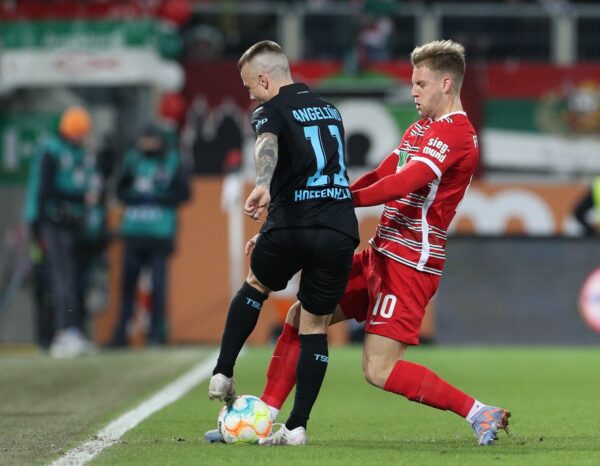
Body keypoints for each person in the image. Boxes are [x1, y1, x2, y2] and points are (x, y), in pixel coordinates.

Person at [207, 39, 510, 447]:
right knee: (300, 318)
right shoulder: (420, 129)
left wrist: (335, 201)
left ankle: (478, 412)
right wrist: (326, 202)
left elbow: (404, 183)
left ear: (445, 83)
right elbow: (382, 174)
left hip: (410, 263)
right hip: (380, 253)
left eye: (420, 83)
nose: (412, 91)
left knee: (378, 370)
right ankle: (265, 419)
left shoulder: (458, 134)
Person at [207, 40, 359, 446]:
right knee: (315, 325)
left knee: (256, 285)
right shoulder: (331, 110)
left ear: (263, 79)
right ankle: (297, 427)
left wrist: (262, 184)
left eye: (249, 87)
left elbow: (267, 144)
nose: (249, 95)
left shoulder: (269, 110)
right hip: (338, 229)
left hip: (293, 225)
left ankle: (223, 371)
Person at [23, 106, 97, 357]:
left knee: (70, 276)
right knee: (59, 277)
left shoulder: (75, 152)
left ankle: (71, 330)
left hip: (65, 222)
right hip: (48, 222)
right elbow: (45, 189)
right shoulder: (51, 149)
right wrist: (38, 225)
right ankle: (60, 333)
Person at [109, 125, 190, 347]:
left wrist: (156, 197)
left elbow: (184, 193)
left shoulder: (172, 160)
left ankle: (156, 334)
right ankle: (121, 334)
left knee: (158, 285)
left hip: (159, 232)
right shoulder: (133, 159)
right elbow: (120, 190)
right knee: (128, 285)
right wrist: (137, 197)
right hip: (134, 231)